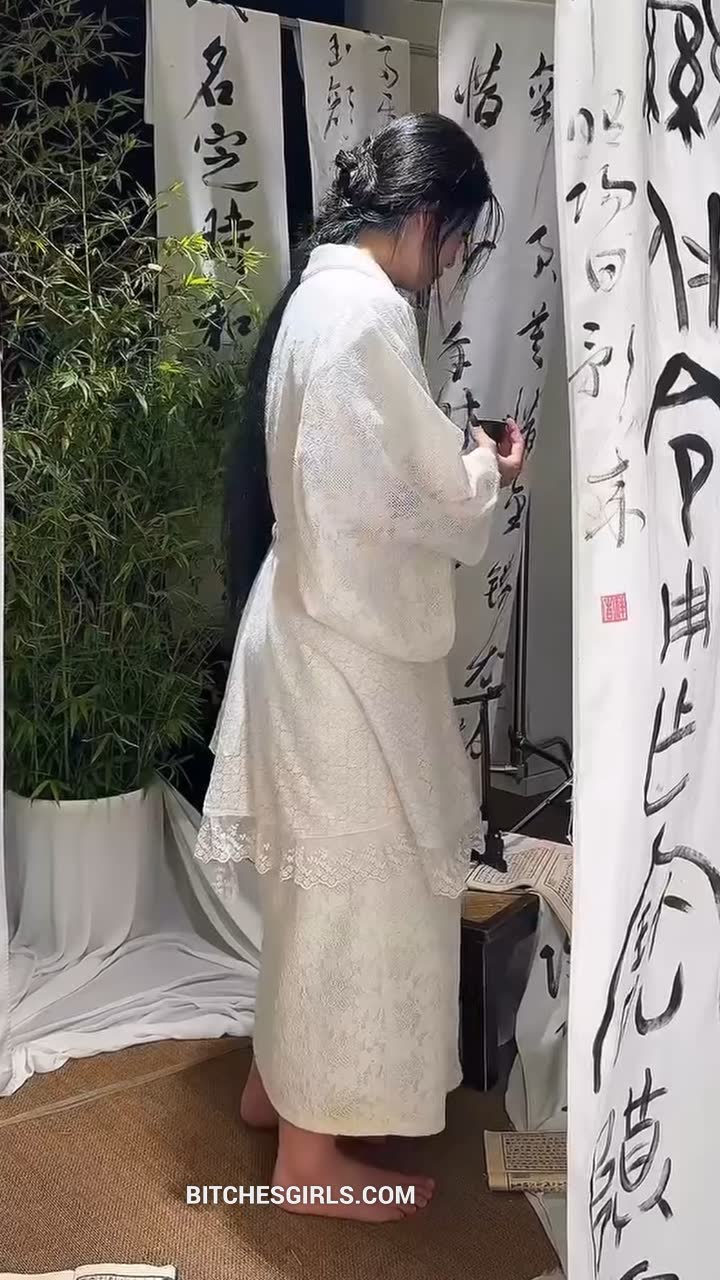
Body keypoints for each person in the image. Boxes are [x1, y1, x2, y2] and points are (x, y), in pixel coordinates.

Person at [195, 112, 525, 1222]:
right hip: (341, 656)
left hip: (306, 629)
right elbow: (417, 496)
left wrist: (457, 467)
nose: (455, 261)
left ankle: (279, 1087)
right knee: (358, 898)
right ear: (427, 218)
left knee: (317, 892)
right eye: (459, 239)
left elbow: (362, 484)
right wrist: (489, 469)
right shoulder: (366, 317)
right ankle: (307, 1156)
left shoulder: (317, 297)